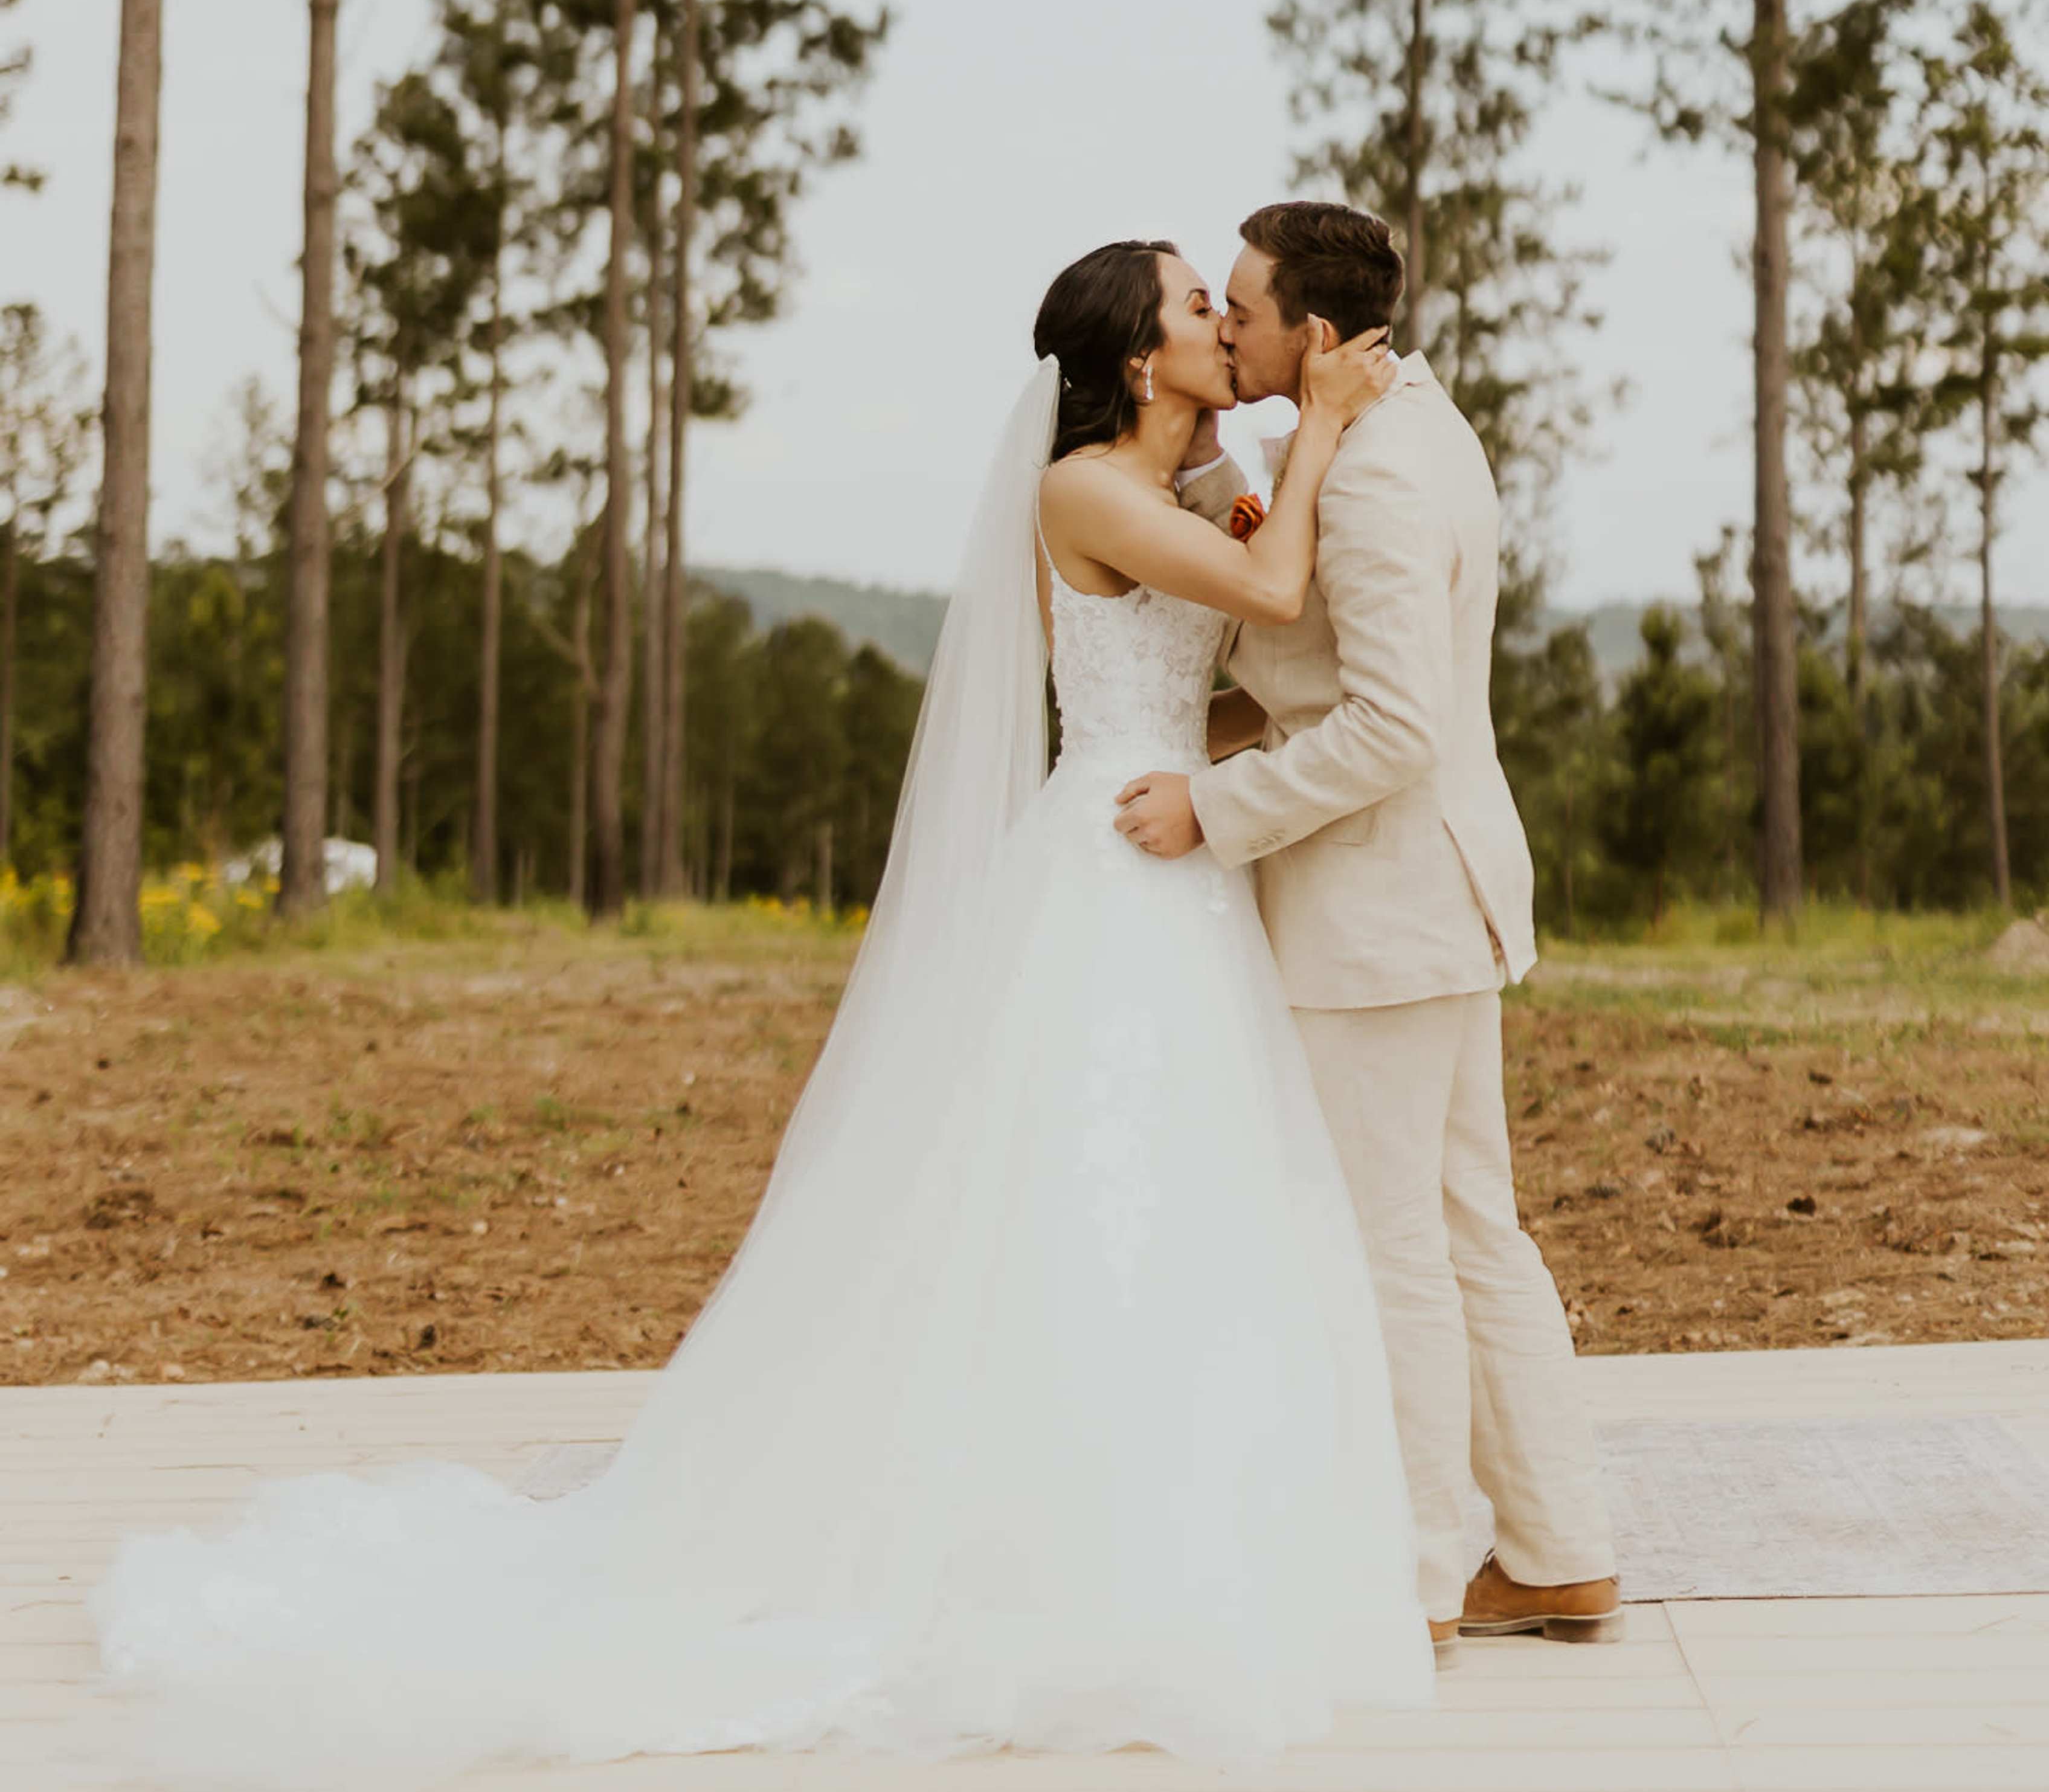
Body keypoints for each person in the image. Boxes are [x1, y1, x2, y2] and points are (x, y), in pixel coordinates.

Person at [92, 242, 1433, 1781]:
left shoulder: (1178, 492)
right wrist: (1317, 427)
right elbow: (1269, 589)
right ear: (1137, 358)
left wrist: (1238, 734)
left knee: (1174, 1201)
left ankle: (1181, 1533)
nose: (1220, 319)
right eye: (1196, 302)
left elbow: (1218, 669)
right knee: (1059, 1189)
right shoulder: (1080, 488)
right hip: (1106, 874)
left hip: (1171, 851)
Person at [1113, 199, 1620, 1647]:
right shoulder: (1412, 425)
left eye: (1247, 311)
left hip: (1380, 908)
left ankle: (1410, 1576)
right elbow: (1327, 672)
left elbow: (1392, 724)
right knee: (1469, 1226)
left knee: (1393, 1238)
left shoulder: (1382, 477)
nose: (1228, 327)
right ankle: (1556, 1546)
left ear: (1314, 336)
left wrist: (1216, 808)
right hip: (1432, 897)